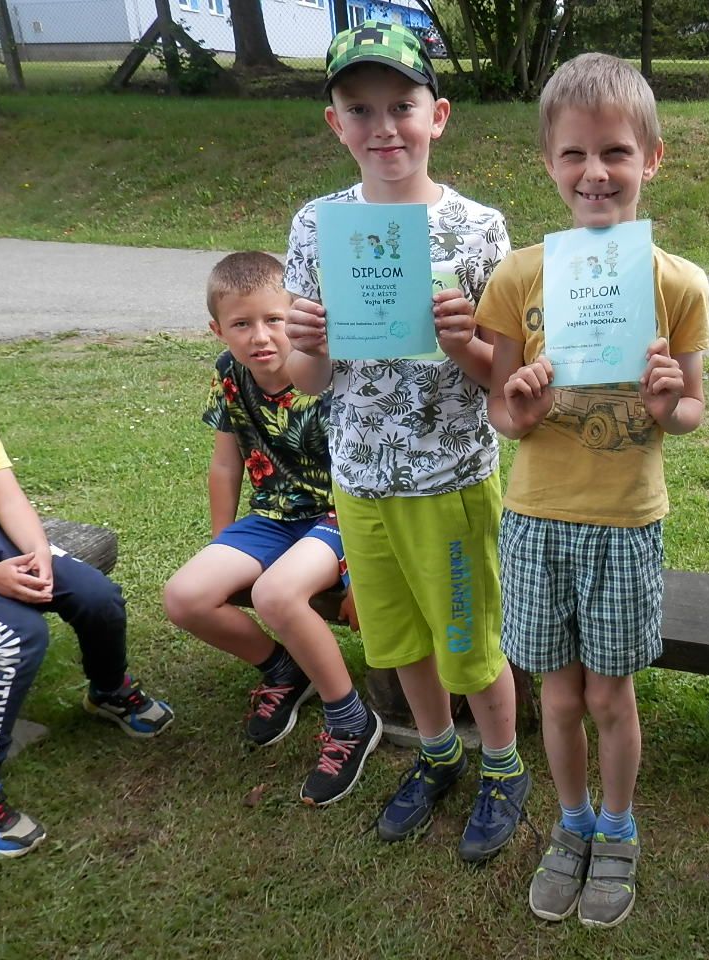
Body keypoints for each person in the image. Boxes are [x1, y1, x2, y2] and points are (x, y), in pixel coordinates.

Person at [477, 52, 709, 929]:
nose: (595, 172)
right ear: (549, 162)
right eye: (574, 154)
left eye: (615, 151)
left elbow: (693, 412)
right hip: (536, 519)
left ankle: (617, 827)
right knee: (559, 694)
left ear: (652, 158)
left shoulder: (676, 281)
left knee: (612, 695)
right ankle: (570, 823)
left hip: (624, 523)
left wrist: (667, 404)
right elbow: (501, 412)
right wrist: (522, 406)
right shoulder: (519, 276)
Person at [283, 22, 525, 863]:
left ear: (438, 116)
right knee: (398, 639)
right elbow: (309, 381)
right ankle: (438, 751)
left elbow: (505, 378)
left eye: (402, 106)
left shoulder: (478, 230)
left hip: (450, 478)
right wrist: (309, 343)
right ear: (335, 124)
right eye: (360, 109)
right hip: (359, 479)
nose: (383, 126)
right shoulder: (317, 227)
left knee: (469, 641)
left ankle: (503, 764)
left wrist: (465, 342)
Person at [163, 251, 379, 808]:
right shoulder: (229, 373)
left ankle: (350, 719)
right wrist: (222, 542)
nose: (260, 337)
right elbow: (225, 464)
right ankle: (283, 669)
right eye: (241, 324)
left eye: (274, 320)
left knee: (276, 594)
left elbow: (364, 479)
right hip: (272, 516)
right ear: (218, 330)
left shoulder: (328, 378)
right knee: (185, 596)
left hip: (340, 516)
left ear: (297, 318)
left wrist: (357, 573)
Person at [0, 399, 174, 861]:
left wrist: (38, 550)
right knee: (17, 636)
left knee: (97, 595)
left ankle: (109, 690)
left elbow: (7, 498)